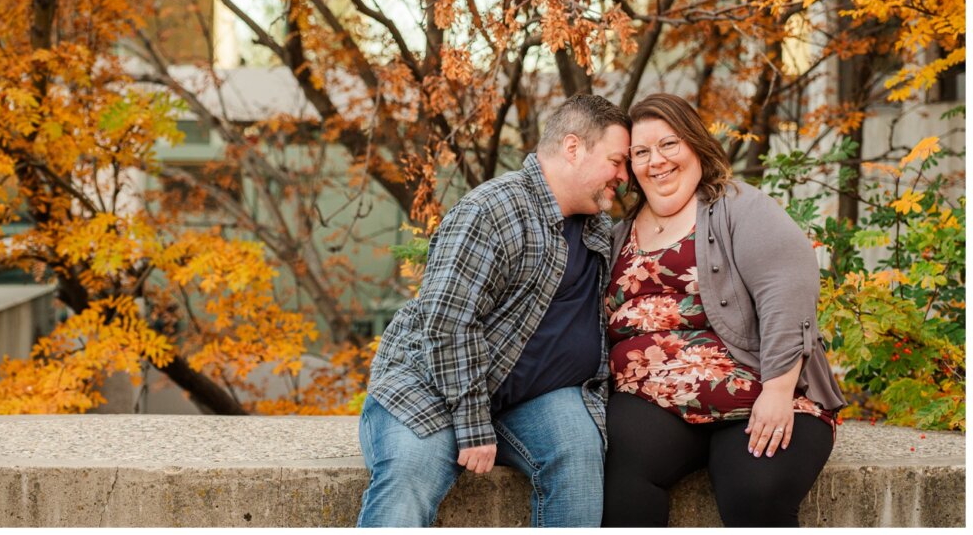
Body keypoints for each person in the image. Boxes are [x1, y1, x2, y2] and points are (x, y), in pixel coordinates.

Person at [357, 94, 631, 527]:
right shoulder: (494, 210)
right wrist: (472, 424)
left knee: (580, 453)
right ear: (574, 148)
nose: (624, 176)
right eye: (617, 161)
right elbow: (447, 324)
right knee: (411, 474)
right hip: (433, 389)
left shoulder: (596, 224)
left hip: (527, 400)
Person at [601, 93, 845, 527]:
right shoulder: (618, 234)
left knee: (756, 493)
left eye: (669, 144)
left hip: (756, 393)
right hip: (649, 404)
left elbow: (788, 286)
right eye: (641, 152)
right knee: (613, 480)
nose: (656, 161)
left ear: (695, 144)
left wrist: (777, 389)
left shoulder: (737, 206)